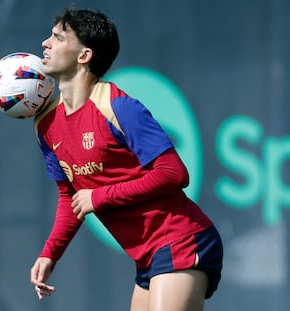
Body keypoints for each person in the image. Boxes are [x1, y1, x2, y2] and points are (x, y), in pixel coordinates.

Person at [30, 7, 223, 311]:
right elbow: (71, 196)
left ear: (84, 56)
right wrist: (49, 253)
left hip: (180, 238)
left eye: (57, 37)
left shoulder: (119, 108)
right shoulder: (46, 125)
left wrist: (101, 196)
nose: (45, 43)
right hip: (146, 256)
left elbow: (174, 173)